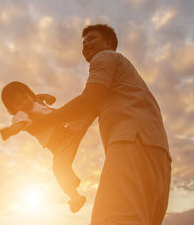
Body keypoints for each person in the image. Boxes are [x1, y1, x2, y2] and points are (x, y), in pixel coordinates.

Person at [29, 24, 171, 224]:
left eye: (92, 39)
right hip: (158, 154)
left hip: (133, 140)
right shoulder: (122, 76)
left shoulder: (104, 57)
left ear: (109, 43)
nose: (86, 45)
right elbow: (83, 114)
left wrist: (45, 120)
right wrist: (42, 110)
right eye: (84, 42)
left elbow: (88, 101)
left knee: (112, 219)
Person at [0, 81, 96, 213]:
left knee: (86, 113)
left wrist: (49, 97)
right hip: (60, 148)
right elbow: (19, 125)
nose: (24, 102)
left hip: (69, 130)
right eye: (18, 103)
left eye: (25, 97)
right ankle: (75, 196)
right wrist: (10, 130)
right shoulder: (22, 115)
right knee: (58, 169)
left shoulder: (35, 100)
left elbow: (41, 97)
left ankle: (99, 104)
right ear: (13, 109)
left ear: (29, 94)